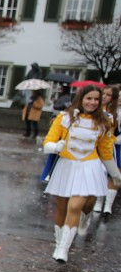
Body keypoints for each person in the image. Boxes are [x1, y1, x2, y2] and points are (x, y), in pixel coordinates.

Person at [43, 85, 121, 262]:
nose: (92, 102)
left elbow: (106, 151)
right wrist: (56, 147)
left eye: (96, 99)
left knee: (75, 206)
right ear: (81, 98)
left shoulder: (105, 121)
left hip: (89, 166)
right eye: (89, 98)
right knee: (62, 208)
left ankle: (64, 249)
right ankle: (58, 244)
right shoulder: (64, 118)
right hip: (66, 166)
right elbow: (48, 142)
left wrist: (116, 175)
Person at [94, 85, 119, 217]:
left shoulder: (115, 113)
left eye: (108, 95)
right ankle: (98, 201)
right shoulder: (95, 109)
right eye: (103, 94)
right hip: (97, 145)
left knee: (112, 174)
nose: (104, 97)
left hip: (112, 146)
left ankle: (108, 205)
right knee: (100, 173)